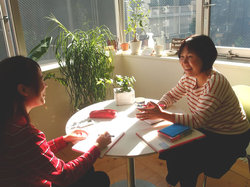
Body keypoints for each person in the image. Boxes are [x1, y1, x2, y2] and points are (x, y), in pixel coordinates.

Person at [136, 35, 250, 187]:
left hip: (230, 137)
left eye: (190, 57)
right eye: (182, 57)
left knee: (185, 158)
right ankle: (175, 181)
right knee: (172, 145)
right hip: (207, 128)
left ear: (205, 57)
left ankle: (178, 181)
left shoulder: (215, 81)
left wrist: (161, 115)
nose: (184, 62)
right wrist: (160, 106)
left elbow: (197, 120)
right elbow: (172, 95)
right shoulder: (189, 77)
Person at [0, 56, 112, 187]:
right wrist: (97, 147)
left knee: (88, 171)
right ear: (23, 90)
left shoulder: (9, 125)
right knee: (100, 179)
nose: (45, 85)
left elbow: (33, 154)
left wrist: (64, 140)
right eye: (41, 79)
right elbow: (63, 175)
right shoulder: (25, 134)